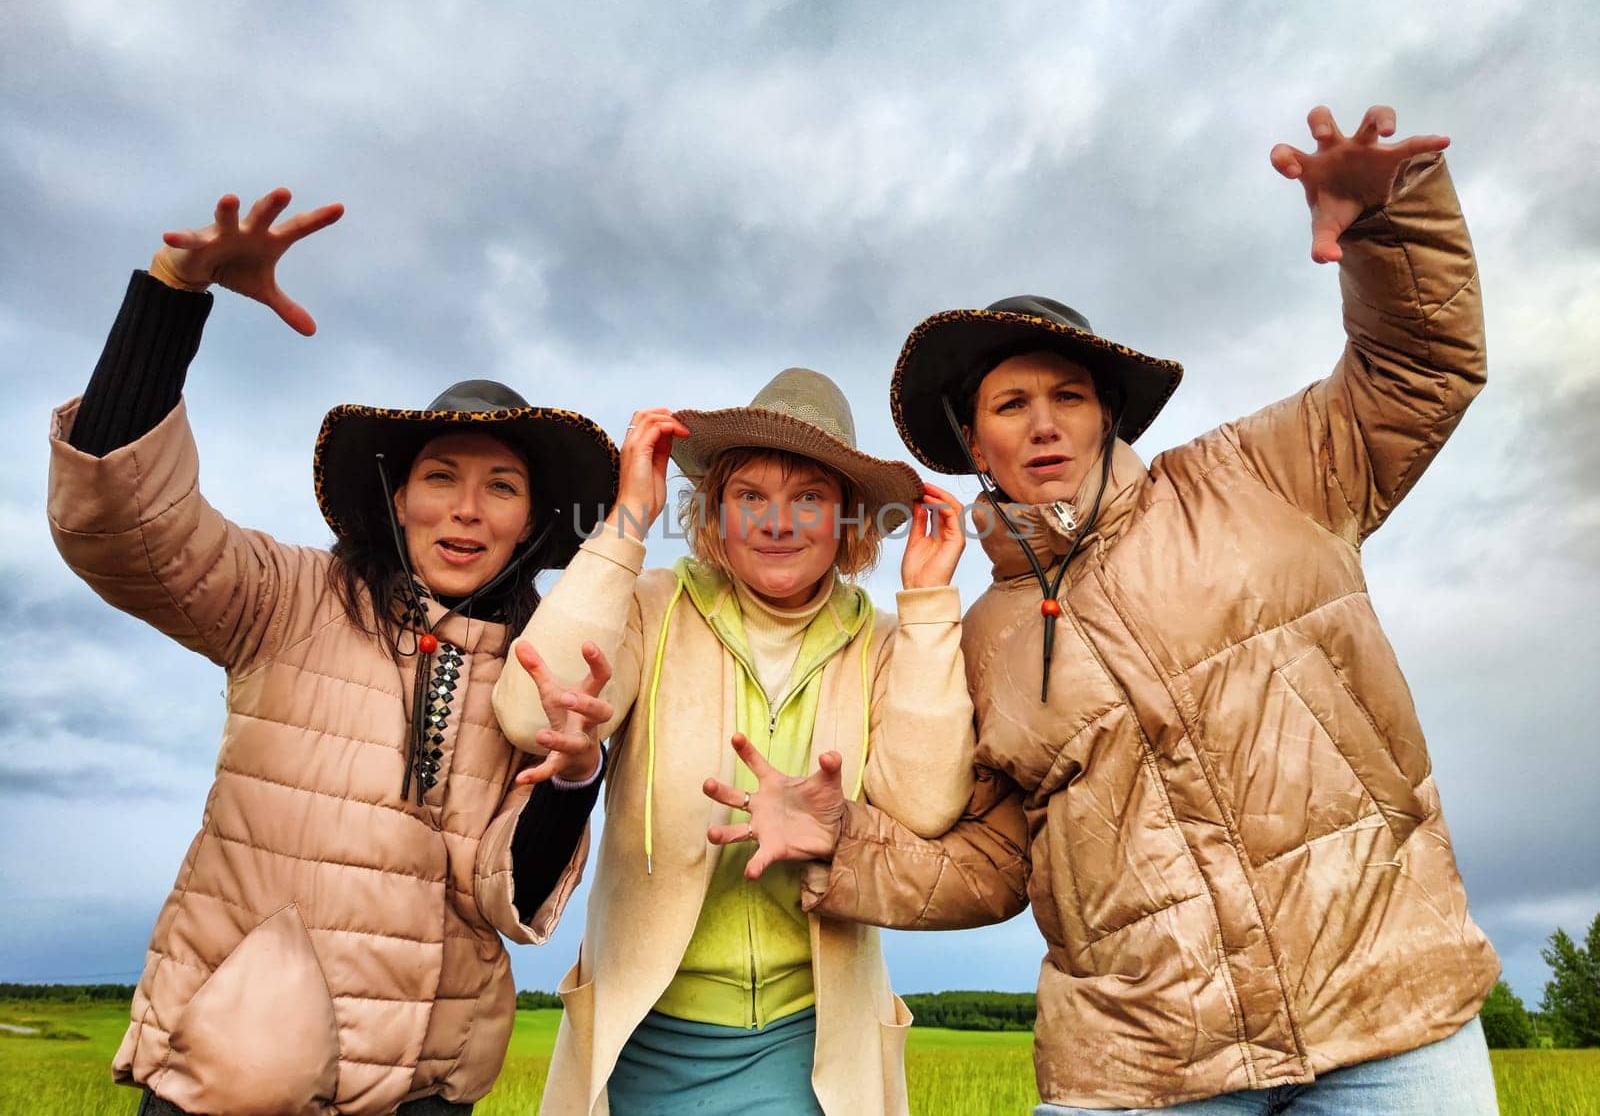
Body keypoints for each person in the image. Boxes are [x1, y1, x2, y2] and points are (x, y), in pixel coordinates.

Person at [703, 106, 1502, 1114]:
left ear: (1107, 413)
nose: (1043, 424)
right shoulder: (980, 639)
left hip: (1389, 1007)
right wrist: (844, 844)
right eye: (1009, 405)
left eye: (1068, 395)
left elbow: (1418, 372)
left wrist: (1386, 226)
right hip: (1143, 1058)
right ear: (972, 444)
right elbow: (994, 861)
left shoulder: (1260, 477)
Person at [47, 188, 621, 1116]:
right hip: (233, 1068)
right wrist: (171, 298)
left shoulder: (541, 671)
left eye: (501, 488)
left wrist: (573, 774)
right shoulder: (285, 600)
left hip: (427, 1084)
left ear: (531, 524)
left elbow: (505, 897)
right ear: (398, 499)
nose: (467, 510)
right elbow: (122, 521)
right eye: (441, 477)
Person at [492, 368, 977, 1114]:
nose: (776, 523)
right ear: (714, 513)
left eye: (808, 498)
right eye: (750, 496)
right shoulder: (652, 606)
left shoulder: (885, 644)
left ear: (848, 520)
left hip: (812, 1042)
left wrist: (928, 602)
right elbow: (533, 712)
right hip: (643, 1034)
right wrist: (626, 521)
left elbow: (925, 805)